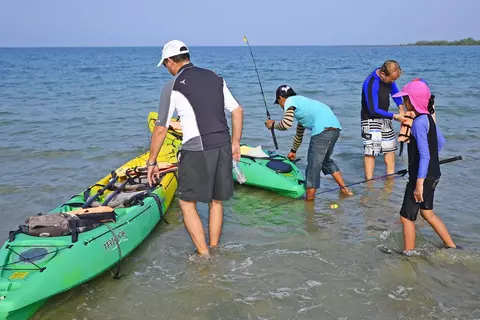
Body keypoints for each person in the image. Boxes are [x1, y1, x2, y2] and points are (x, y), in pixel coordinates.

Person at [147, 40, 244, 256]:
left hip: (196, 148)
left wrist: (151, 162)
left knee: (186, 202)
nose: (166, 69)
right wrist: (236, 142)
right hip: (223, 145)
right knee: (216, 200)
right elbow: (237, 110)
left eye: (165, 65)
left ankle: (204, 256)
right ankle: (214, 248)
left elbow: (161, 128)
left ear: (170, 61)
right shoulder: (215, 77)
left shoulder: (172, 86)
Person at [391, 79, 458, 254]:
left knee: (406, 217)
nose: (404, 102)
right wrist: (425, 165)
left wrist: (419, 181)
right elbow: (440, 142)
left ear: (413, 101)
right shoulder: (428, 118)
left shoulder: (418, 124)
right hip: (434, 174)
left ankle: (409, 253)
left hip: (421, 178)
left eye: (406, 99)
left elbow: (425, 154)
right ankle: (451, 246)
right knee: (427, 213)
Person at [264, 85, 353, 201]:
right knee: (326, 161)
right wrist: (293, 151)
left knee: (312, 167)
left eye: (279, 102)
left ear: (281, 98)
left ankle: (309, 200)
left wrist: (272, 125)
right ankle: (344, 189)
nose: (281, 106)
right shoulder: (302, 104)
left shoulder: (289, 101)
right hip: (335, 129)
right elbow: (299, 134)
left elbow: (286, 124)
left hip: (322, 130)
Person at [361, 60, 407, 180]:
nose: (392, 83)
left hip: (385, 118)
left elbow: (395, 93)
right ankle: (369, 182)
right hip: (370, 119)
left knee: (390, 149)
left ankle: (390, 179)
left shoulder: (389, 78)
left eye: (394, 80)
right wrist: (396, 116)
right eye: (391, 80)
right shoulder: (371, 83)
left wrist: (401, 108)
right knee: (371, 152)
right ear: (383, 74)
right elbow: (373, 110)